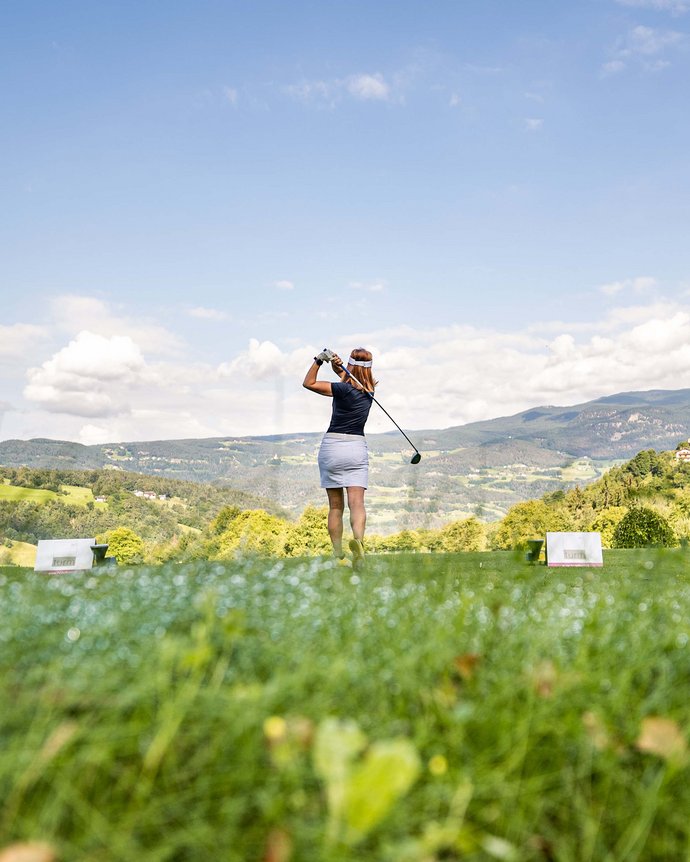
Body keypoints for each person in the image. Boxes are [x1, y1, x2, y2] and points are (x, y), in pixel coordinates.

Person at [302, 347, 376, 570]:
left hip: (333, 447)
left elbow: (309, 383)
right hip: (356, 448)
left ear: (351, 366)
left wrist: (318, 361)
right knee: (357, 505)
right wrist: (338, 364)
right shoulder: (370, 389)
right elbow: (348, 377)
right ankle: (359, 544)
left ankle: (338, 556)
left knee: (336, 507)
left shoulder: (342, 389)